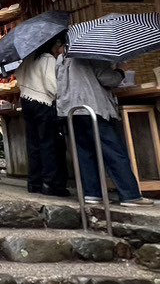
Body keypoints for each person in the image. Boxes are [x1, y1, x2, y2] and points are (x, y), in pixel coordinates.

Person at [54, 39, 145, 205]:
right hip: (93, 107)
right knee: (113, 151)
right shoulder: (92, 53)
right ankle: (130, 194)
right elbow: (107, 79)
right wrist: (121, 72)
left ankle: (92, 193)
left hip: (72, 110)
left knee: (85, 153)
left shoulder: (62, 58)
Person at [16, 40, 67, 197]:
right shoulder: (47, 59)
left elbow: (18, 76)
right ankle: (50, 183)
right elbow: (52, 86)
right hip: (44, 102)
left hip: (27, 101)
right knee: (49, 143)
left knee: (33, 143)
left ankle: (34, 182)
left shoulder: (29, 58)